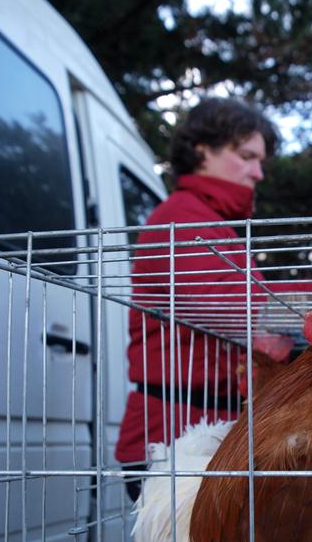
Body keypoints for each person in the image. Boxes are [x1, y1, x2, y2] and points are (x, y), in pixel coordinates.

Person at [115, 97, 279, 500]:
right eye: (246, 156)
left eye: (261, 162)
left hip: (199, 425)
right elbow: (234, 312)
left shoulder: (212, 223)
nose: (258, 173)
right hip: (173, 434)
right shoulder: (184, 218)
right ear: (202, 149)